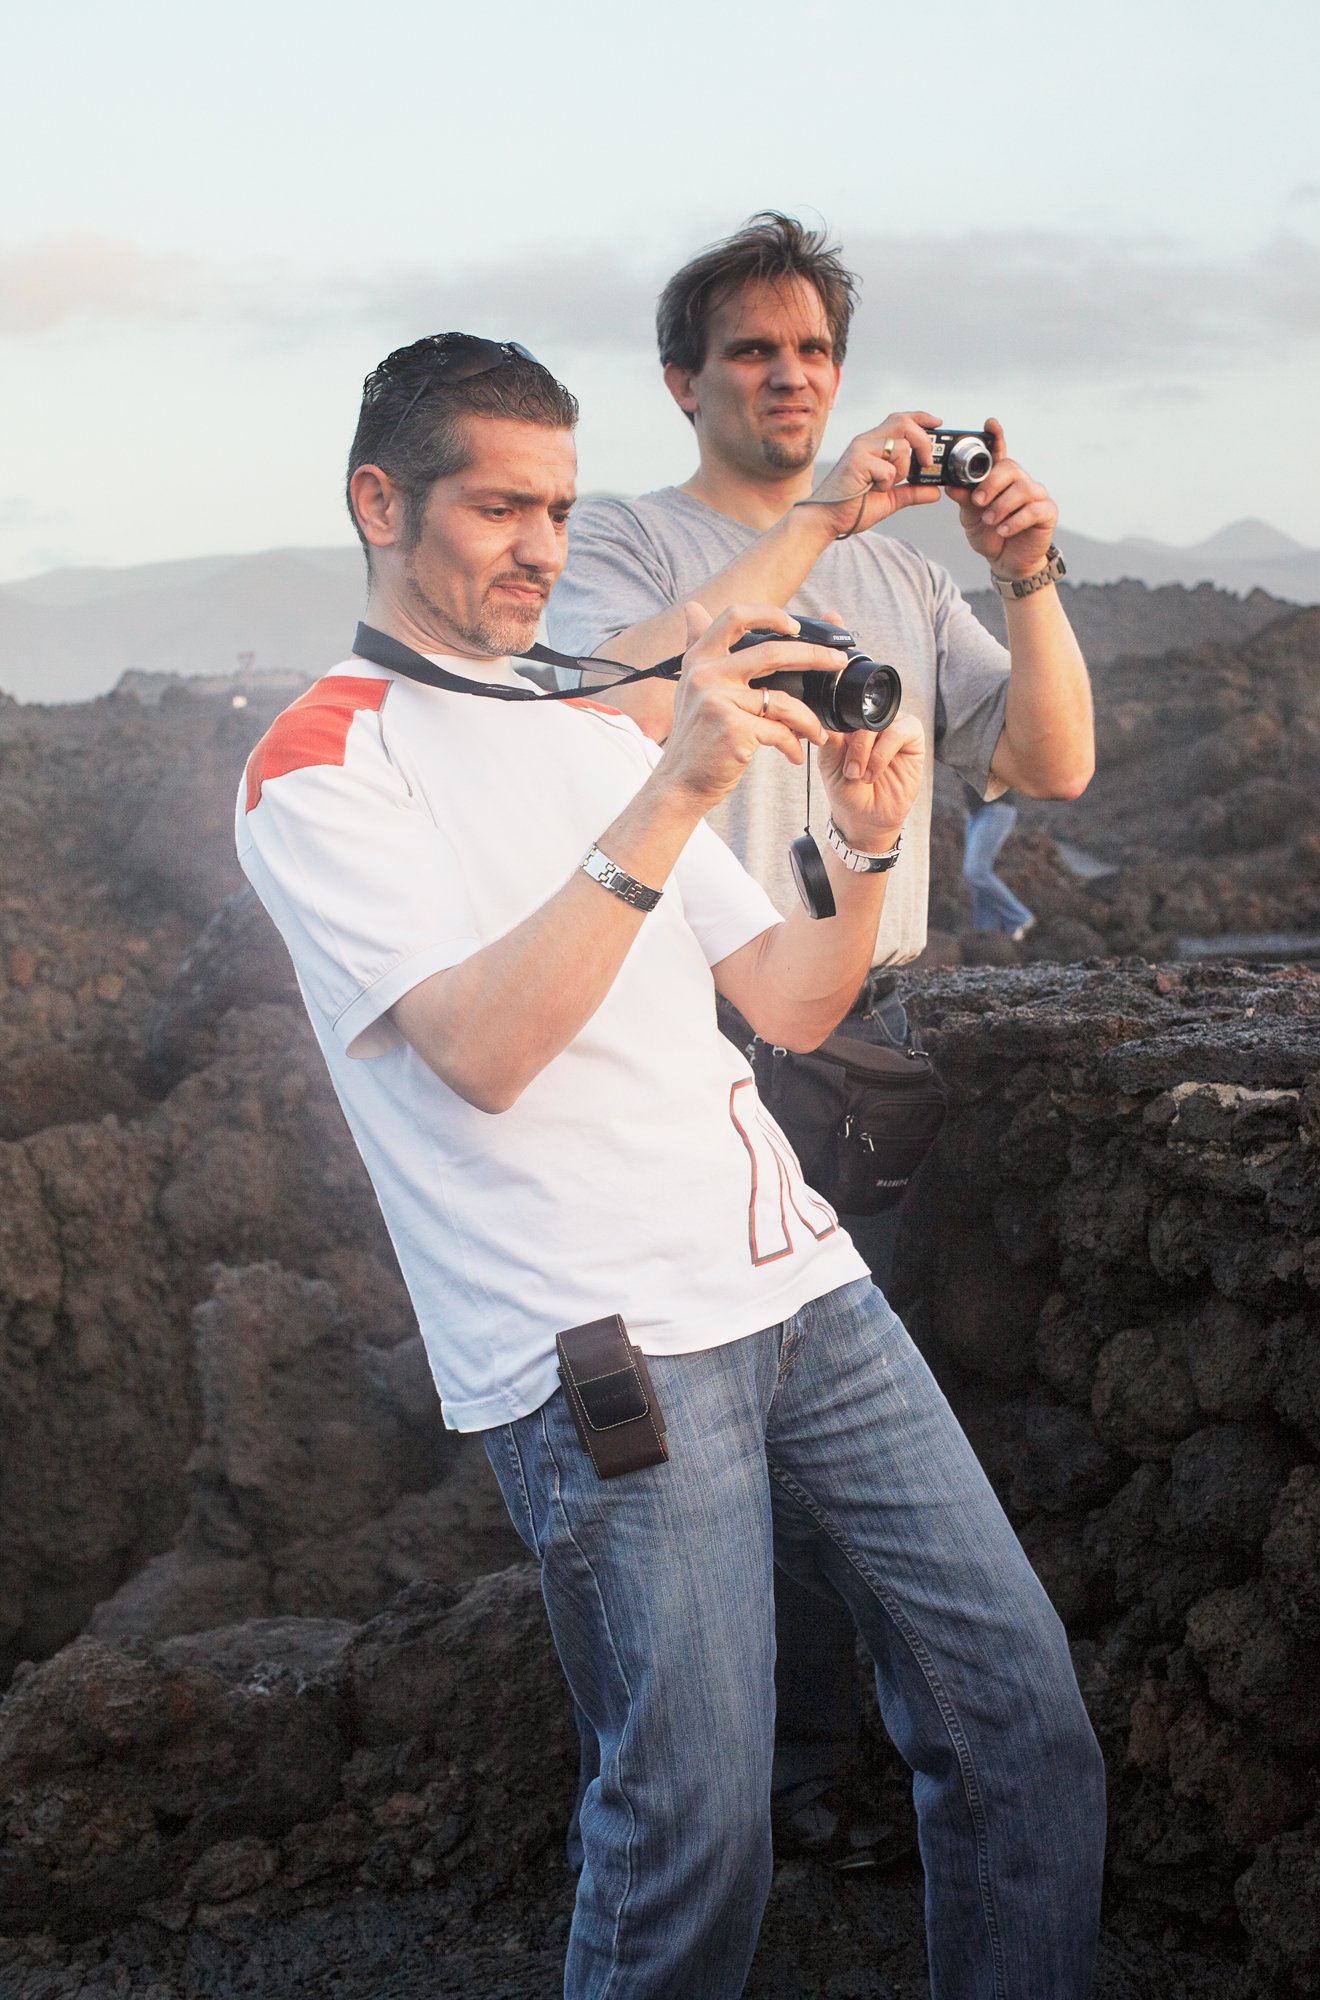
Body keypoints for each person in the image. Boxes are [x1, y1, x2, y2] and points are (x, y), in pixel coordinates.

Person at [237, 332, 1105, 1999]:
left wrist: (860, 834)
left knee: (1018, 1725)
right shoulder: (320, 764)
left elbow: (783, 992)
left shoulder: (576, 718)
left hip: (802, 1288)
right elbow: (487, 1049)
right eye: (497, 508)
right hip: (601, 1351)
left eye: (558, 509)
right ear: (376, 500)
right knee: (693, 1838)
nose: (540, 548)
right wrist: (673, 787)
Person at [546, 211, 1095, 1858]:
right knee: (718, 1436)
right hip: (680, 1031)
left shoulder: (902, 577)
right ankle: (767, 1779)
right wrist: (821, 514)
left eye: (813, 353)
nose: (789, 376)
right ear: (679, 379)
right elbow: (590, 687)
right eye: (752, 351)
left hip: (859, 1020)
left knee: (855, 1423)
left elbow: (1049, 765)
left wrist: (1021, 566)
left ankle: (872, 1762)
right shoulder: (625, 542)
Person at [962, 781, 1037, 939]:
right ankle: (987, 932)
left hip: (995, 810)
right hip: (976, 813)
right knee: (978, 875)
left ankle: (1020, 918)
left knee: (975, 871)